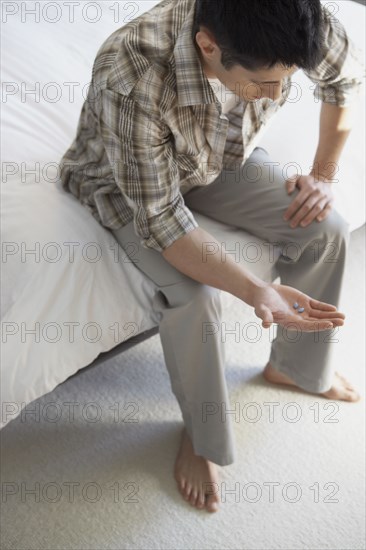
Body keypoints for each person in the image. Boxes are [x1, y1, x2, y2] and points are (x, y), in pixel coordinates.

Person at [59, 0, 365, 513]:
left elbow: (343, 84)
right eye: (268, 85)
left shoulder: (297, 19)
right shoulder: (130, 74)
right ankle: (204, 441)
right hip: (126, 184)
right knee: (194, 295)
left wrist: (324, 175)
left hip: (219, 159)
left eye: (289, 80)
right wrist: (256, 289)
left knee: (325, 228)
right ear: (208, 46)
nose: (281, 93)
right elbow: (163, 221)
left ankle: (298, 369)